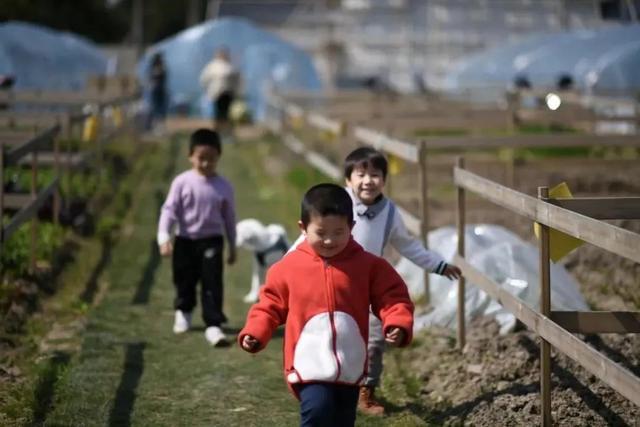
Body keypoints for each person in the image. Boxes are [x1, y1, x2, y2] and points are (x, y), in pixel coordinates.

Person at [288, 147, 462, 415]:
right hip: (331, 282)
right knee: (332, 335)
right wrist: (285, 270)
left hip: (367, 286)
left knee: (373, 340)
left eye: (376, 174)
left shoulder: (390, 213)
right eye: (361, 174)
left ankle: (366, 392)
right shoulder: (337, 205)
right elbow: (306, 239)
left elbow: (408, 245)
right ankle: (322, 382)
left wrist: (438, 265)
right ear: (348, 179)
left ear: (384, 179)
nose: (368, 180)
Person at [239, 183, 414, 427]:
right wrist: (256, 332)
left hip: (351, 364)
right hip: (307, 363)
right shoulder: (288, 268)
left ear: (351, 228)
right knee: (318, 412)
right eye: (321, 233)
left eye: (339, 232)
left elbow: (392, 296)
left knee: (342, 420)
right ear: (303, 228)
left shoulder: (368, 266)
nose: (330, 240)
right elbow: (269, 304)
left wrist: (397, 322)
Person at [157, 128, 237, 346]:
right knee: (184, 279)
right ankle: (183, 310)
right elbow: (169, 211)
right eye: (201, 158)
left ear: (218, 156)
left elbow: (229, 218)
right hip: (185, 240)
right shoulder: (182, 183)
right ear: (190, 156)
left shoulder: (223, 187)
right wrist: (164, 237)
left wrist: (232, 246)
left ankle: (213, 323)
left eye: (211, 159)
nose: (205, 164)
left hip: (212, 240)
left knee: (212, 281)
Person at [199, 47, 240, 142]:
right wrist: (208, 90)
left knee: (227, 115)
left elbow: (237, 80)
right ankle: (217, 134)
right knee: (218, 115)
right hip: (216, 95)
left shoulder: (230, 66)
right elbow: (204, 79)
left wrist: (237, 92)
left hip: (228, 94)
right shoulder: (213, 66)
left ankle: (227, 134)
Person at [146, 52, 168, 132]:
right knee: (154, 108)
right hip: (155, 91)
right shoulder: (154, 67)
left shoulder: (162, 67)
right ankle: (152, 126)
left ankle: (159, 127)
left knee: (160, 109)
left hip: (160, 91)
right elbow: (152, 78)